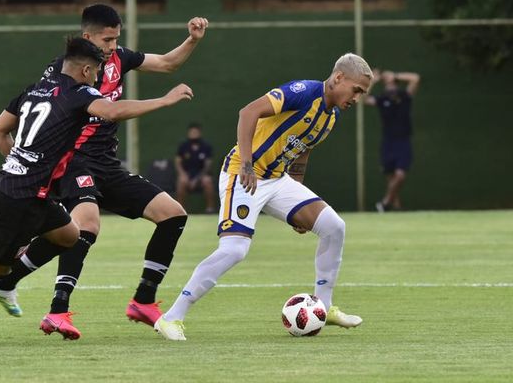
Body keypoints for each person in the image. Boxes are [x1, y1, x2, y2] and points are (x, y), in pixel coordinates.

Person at [0, 37, 193, 344]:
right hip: (17, 198)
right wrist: (164, 100)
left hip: (29, 191)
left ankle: (14, 268)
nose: (98, 77)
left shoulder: (34, 89)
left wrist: (22, 163)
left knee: (70, 235)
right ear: (84, 70)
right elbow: (112, 112)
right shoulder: (78, 94)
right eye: (96, 72)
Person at [0, 4, 208, 340]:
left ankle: (143, 301)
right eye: (107, 39)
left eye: (116, 38)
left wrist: (191, 40)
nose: (112, 45)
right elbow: (107, 111)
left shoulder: (120, 57)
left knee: (173, 215)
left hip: (106, 162)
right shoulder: (63, 73)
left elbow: (167, 63)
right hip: (73, 159)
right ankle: (58, 311)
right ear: (86, 37)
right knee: (87, 224)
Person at [154, 53, 373, 341]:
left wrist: (297, 198)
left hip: (278, 180)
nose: (357, 98)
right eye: (356, 89)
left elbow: (302, 149)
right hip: (243, 174)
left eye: (363, 93)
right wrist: (246, 164)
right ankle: (171, 317)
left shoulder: (330, 117)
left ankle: (324, 306)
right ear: (339, 78)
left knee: (334, 227)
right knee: (234, 250)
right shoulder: (303, 92)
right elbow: (248, 112)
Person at [364, 69, 420, 212]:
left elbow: (415, 78)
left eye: (391, 82)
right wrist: (372, 81)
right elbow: (363, 99)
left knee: (400, 175)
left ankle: (385, 202)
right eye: (386, 82)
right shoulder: (382, 99)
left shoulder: (404, 96)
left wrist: (394, 75)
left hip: (403, 140)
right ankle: (395, 208)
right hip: (388, 142)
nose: (389, 84)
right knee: (390, 177)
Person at [175, 122, 216, 213]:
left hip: (201, 175)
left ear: (199, 133)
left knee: (207, 181)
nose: (193, 134)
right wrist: (183, 174)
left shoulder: (206, 146)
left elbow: (207, 165)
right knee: (182, 181)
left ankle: (210, 209)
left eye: (195, 132)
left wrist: (197, 179)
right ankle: (180, 211)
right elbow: (178, 162)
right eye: (191, 132)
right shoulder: (183, 146)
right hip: (187, 175)